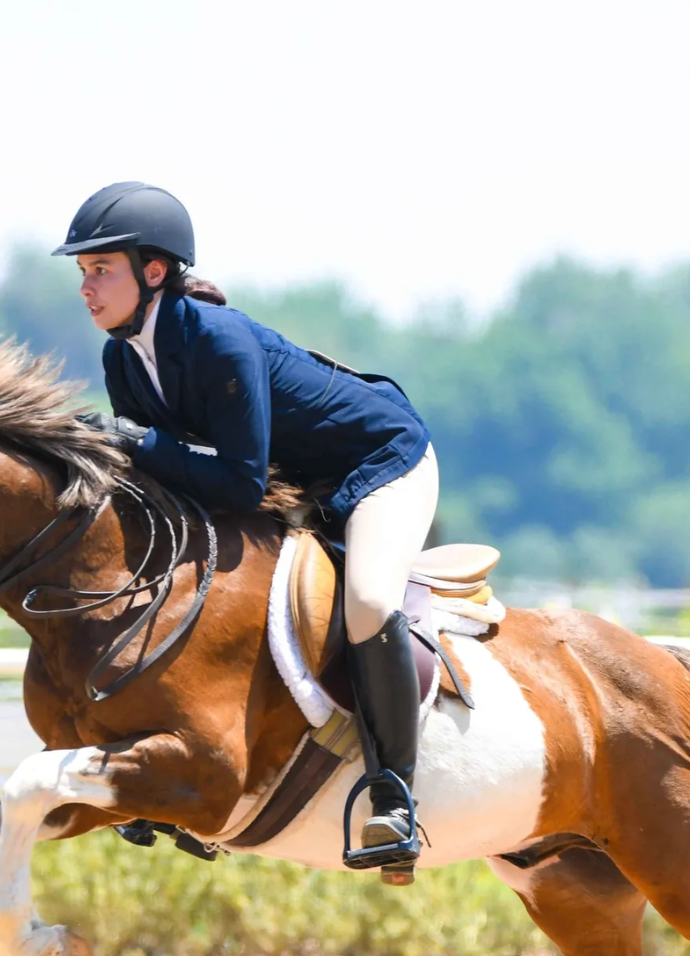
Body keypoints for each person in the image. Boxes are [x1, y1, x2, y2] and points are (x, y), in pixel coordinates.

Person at [53, 182, 438, 866]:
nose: (87, 287)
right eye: (83, 272)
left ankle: (393, 798)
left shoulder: (218, 341)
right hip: (292, 489)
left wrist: (134, 443)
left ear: (154, 271)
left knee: (370, 602)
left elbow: (237, 481)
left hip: (380, 464)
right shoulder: (125, 359)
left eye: (101, 269)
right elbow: (170, 486)